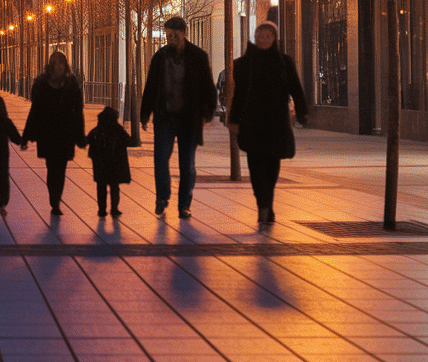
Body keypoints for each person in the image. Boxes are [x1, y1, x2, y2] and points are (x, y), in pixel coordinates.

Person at [229, 21, 308, 224]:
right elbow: (239, 95)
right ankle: (263, 206)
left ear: (274, 39)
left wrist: (302, 111)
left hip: (276, 123)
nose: (264, 40)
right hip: (252, 122)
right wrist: (233, 119)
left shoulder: (284, 62)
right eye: (260, 36)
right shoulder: (244, 64)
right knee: (256, 167)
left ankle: (267, 204)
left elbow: (295, 88)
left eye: (268, 36)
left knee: (272, 167)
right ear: (255, 38)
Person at [140, 16, 217, 219]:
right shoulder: (160, 57)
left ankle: (184, 205)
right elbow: (151, 86)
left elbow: (208, 86)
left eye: (175, 35)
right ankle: (162, 198)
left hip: (188, 119)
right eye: (168, 36)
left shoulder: (198, 57)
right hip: (164, 117)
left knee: (187, 164)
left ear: (184, 33)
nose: (171, 39)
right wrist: (145, 113)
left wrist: (208, 112)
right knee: (160, 160)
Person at [22, 51, 85, 216]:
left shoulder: (71, 84)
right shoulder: (42, 84)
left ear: (65, 66)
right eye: (56, 63)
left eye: (61, 63)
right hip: (48, 134)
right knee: (51, 167)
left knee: (61, 168)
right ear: (51, 66)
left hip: (65, 134)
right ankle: (54, 198)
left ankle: (56, 201)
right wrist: (26, 136)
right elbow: (35, 110)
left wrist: (80, 136)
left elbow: (78, 111)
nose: (59, 67)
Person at [80, 105, 139, 217]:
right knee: (114, 187)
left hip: (100, 165)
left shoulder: (97, 131)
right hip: (114, 165)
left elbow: (85, 141)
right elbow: (130, 141)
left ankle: (102, 209)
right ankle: (114, 209)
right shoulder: (118, 130)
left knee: (101, 187)